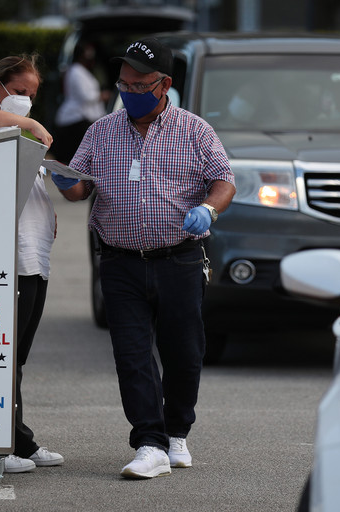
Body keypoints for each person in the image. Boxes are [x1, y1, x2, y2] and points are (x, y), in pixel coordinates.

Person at [51, 38, 236, 479]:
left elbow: (224, 181)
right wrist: (60, 176)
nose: (129, 91)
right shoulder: (101, 131)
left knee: (184, 352)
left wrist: (208, 209)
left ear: (164, 84)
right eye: (123, 83)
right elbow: (80, 189)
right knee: (131, 354)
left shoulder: (195, 130)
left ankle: (176, 433)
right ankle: (148, 442)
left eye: (140, 84)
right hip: (120, 262)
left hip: (179, 258)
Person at [0, 54, 64, 474]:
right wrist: (33, 125)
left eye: (33, 97)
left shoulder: (21, 140)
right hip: (6, 261)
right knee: (0, 356)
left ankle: (16, 439)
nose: (26, 102)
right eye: (20, 92)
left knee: (15, 357)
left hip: (33, 259)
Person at [52, 41, 110, 164]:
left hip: (83, 117)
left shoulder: (82, 71)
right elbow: (87, 96)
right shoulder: (76, 72)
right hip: (75, 118)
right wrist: (103, 96)